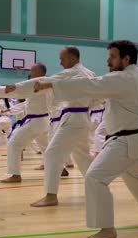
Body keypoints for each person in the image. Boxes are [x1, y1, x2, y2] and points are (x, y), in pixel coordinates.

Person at [34, 40, 138, 238]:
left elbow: (90, 85)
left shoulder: (122, 77)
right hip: (133, 137)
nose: (108, 61)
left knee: (95, 177)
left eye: (112, 56)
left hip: (125, 140)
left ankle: (107, 229)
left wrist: (51, 84)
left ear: (126, 59)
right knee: (137, 178)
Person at [16, 46, 96, 207]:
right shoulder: (90, 73)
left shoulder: (72, 72)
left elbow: (49, 80)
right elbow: (95, 99)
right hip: (83, 117)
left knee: (52, 153)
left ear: (73, 58)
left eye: (62, 59)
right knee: (83, 156)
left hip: (73, 119)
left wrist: (11, 88)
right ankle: (97, 187)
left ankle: (51, 195)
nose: (60, 62)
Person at [0, 63, 53, 183]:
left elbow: (19, 89)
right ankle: (61, 168)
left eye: (32, 70)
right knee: (46, 147)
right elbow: (25, 101)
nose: (30, 72)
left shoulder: (38, 82)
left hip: (36, 121)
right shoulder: (45, 84)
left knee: (13, 143)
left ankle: (15, 175)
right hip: (43, 121)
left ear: (39, 72)